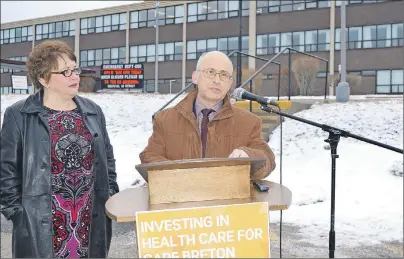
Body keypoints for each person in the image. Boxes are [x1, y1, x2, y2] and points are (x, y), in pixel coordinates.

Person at [0, 40, 119, 258]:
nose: (75, 76)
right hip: (41, 221)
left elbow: (107, 158)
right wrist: (18, 214)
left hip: (89, 217)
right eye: (65, 72)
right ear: (44, 79)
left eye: (75, 69)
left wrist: (110, 192)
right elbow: (6, 171)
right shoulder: (19, 115)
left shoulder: (93, 111)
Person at [139, 51, 276, 179]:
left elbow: (267, 160)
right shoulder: (165, 119)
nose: (217, 80)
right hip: (179, 200)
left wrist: (249, 155)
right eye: (210, 72)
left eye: (223, 75)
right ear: (195, 77)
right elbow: (150, 156)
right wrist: (179, 175)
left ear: (229, 83)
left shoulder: (248, 122)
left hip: (228, 203)